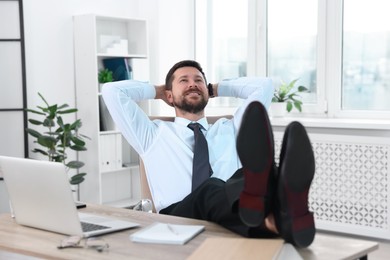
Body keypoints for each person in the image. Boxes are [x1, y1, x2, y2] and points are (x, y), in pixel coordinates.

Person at [102, 60, 316, 248]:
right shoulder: (151, 133)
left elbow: (264, 86)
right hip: (175, 220)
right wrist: (159, 90)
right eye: (183, 81)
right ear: (169, 95)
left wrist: (215, 88)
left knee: (247, 177)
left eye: (198, 80)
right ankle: (279, 211)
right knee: (213, 187)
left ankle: (278, 220)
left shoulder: (230, 128)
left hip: (229, 211)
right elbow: (112, 91)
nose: (193, 84)